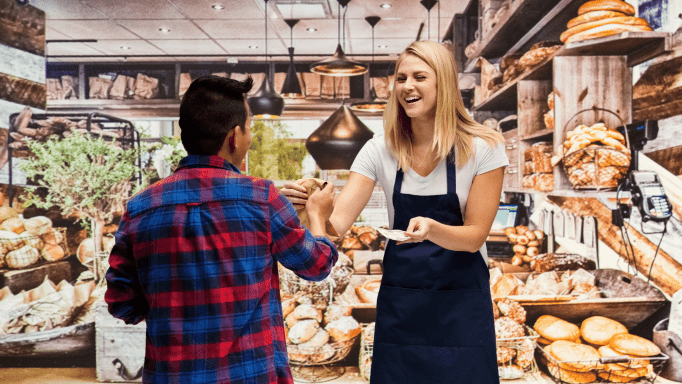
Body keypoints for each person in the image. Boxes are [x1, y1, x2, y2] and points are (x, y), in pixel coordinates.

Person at [282, 41, 508, 383]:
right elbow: (334, 228)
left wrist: (432, 228)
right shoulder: (379, 149)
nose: (407, 86)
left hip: (461, 310)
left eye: (419, 76)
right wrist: (309, 208)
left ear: (443, 83)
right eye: (401, 78)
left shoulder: (483, 148)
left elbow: (475, 236)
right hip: (403, 310)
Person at [105, 76, 339, 384]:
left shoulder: (141, 207)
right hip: (253, 375)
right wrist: (317, 216)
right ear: (235, 137)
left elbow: (122, 303)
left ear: (182, 132)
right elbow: (318, 265)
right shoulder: (263, 198)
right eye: (250, 127)